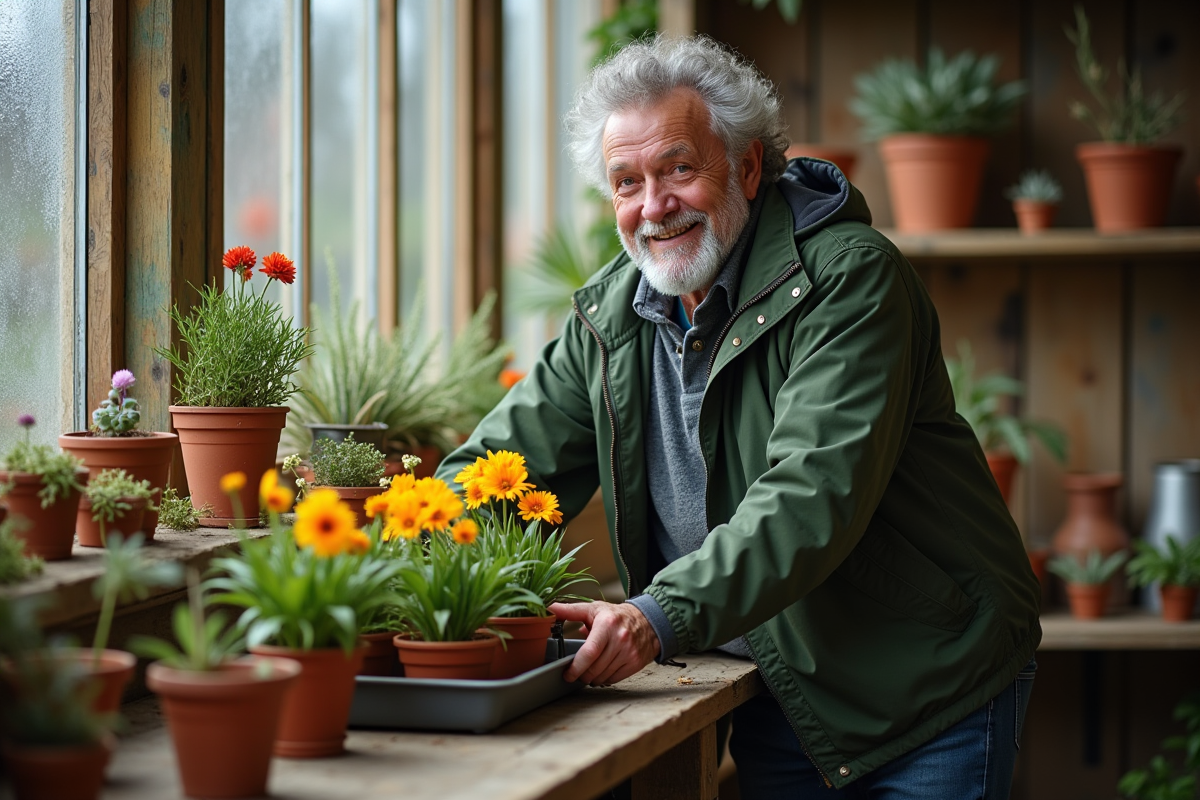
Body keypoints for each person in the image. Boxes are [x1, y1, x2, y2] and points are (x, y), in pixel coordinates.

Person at [436, 35, 1040, 798]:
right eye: (627, 182)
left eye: (679, 169)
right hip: (781, 690)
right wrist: (387, 567)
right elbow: (500, 469)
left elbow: (811, 494)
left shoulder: (849, 281)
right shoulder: (610, 318)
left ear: (749, 167)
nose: (653, 207)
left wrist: (655, 616)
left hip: (926, 683)